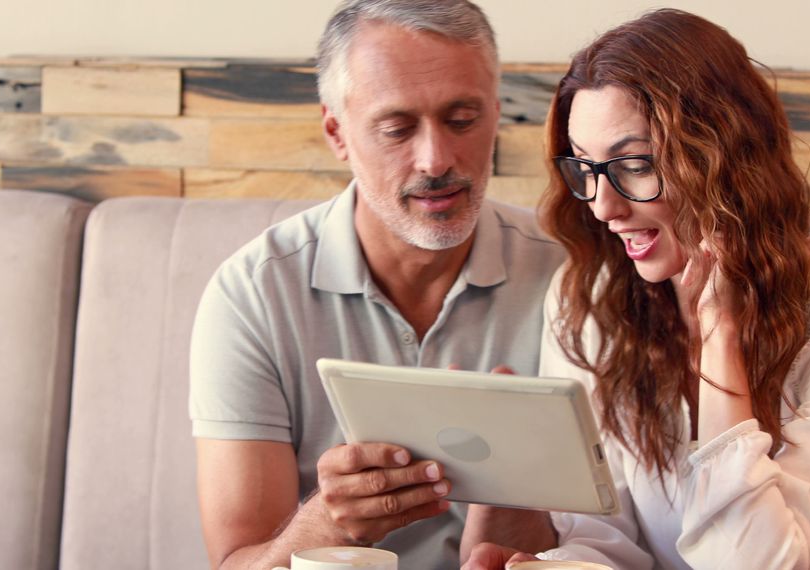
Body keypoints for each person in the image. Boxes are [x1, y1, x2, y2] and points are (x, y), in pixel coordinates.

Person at [464, 8, 810, 570]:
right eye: (586, 168)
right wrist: (549, 566)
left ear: (725, 158)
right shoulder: (591, 302)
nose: (604, 207)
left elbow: (753, 563)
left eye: (635, 165)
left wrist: (720, 338)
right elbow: (606, 540)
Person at [189, 1, 564, 568]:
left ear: (496, 111)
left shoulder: (574, 274)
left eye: (463, 120)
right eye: (397, 129)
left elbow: (612, 541)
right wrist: (327, 521)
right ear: (336, 132)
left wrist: (514, 497)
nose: (436, 159)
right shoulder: (254, 295)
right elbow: (235, 563)